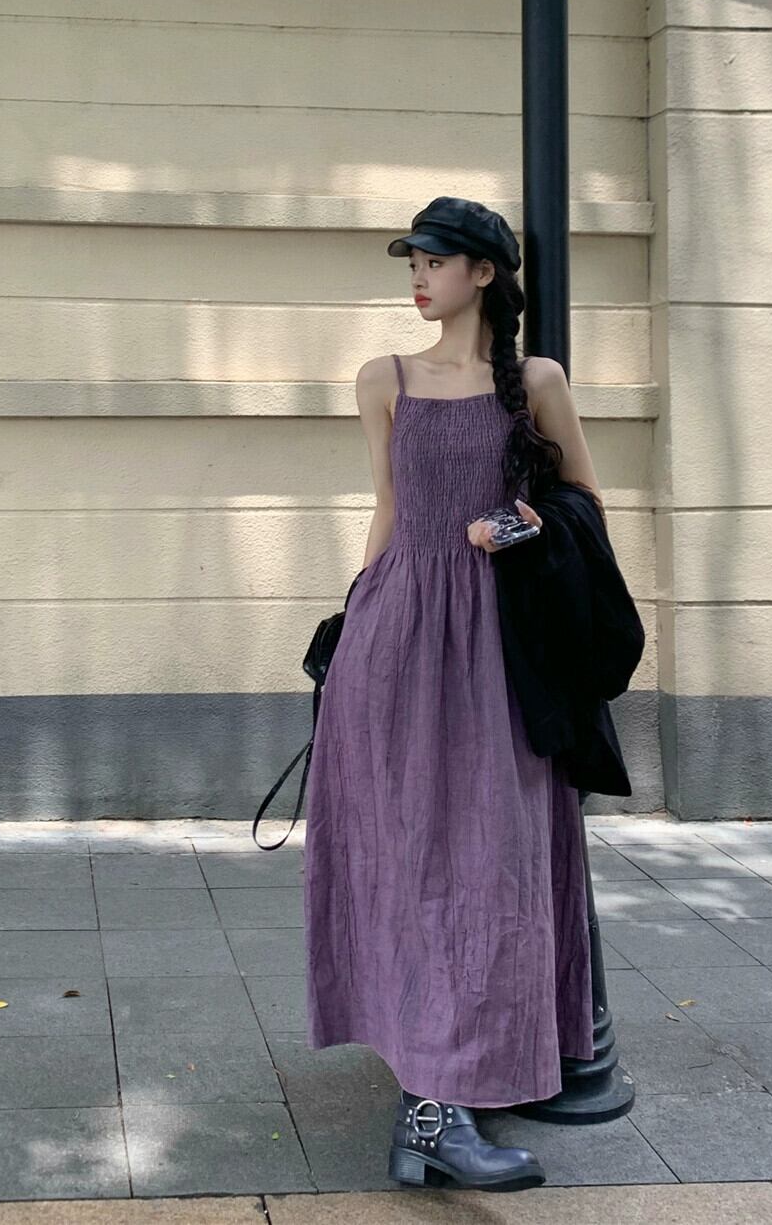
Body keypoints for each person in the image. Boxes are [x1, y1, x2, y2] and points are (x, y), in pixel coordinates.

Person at [302, 197, 603, 1192]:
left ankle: (453, 1092)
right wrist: (352, 633)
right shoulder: (381, 378)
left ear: (483, 273)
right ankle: (435, 1107)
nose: (418, 278)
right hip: (394, 645)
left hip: (498, 650)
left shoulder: (535, 383)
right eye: (412, 262)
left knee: (490, 865)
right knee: (409, 866)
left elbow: (582, 505)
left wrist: (510, 530)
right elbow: (389, 508)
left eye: (435, 261)